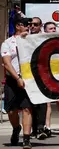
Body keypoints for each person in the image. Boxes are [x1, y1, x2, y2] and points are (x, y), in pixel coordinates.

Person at [2, 16, 33, 148]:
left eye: (30, 25)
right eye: (26, 24)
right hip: (13, 79)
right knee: (11, 111)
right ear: (18, 26)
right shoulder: (7, 43)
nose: (28, 27)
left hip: (29, 80)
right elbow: (7, 63)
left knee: (27, 108)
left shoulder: (33, 40)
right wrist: (17, 78)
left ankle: (26, 138)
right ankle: (16, 128)